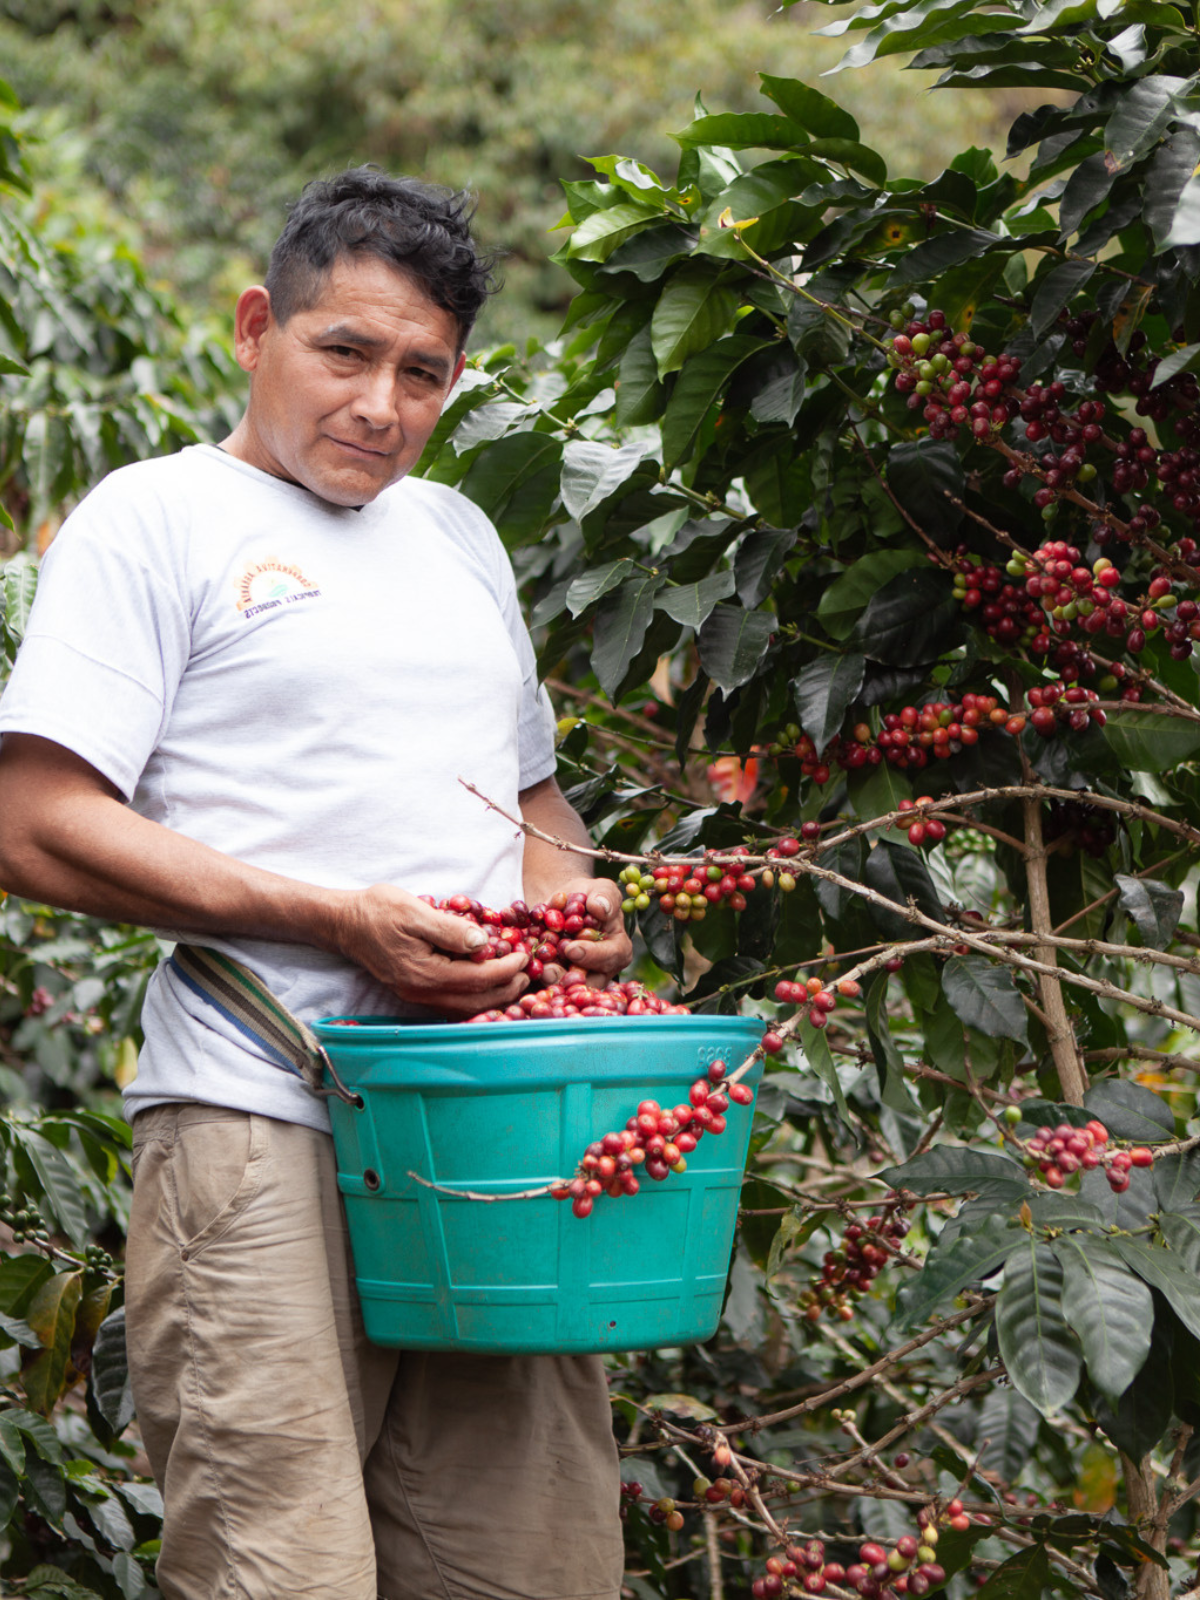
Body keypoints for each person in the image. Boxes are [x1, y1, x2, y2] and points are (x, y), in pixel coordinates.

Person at [0, 167, 630, 1600]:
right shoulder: (155, 519)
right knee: (280, 1569)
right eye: (343, 353)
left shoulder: (459, 536)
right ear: (253, 328)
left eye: (424, 373)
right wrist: (337, 921)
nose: (380, 405)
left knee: (524, 1564)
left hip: (487, 1131)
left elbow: (534, 802)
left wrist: (576, 900)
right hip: (259, 1117)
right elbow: (32, 822)